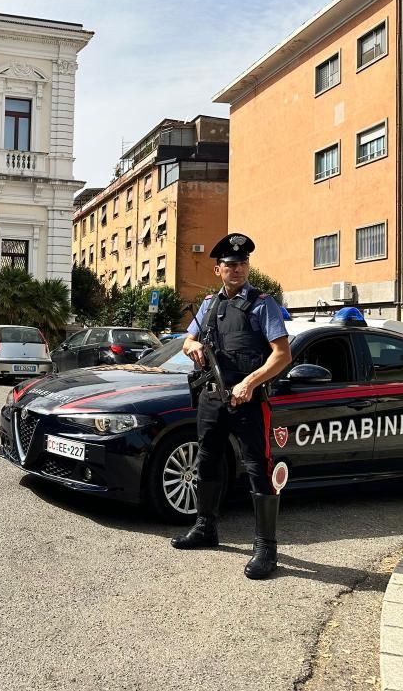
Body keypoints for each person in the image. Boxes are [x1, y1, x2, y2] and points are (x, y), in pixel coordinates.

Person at [171, 233, 292, 580]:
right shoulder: (210, 304)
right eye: (230, 264)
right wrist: (192, 347)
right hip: (212, 397)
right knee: (206, 460)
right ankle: (205, 528)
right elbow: (187, 340)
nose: (237, 269)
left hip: (248, 399)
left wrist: (249, 383)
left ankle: (266, 548)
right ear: (218, 270)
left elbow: (282, 355)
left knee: (257, 467)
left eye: (242, 263)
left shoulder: (262, 304)